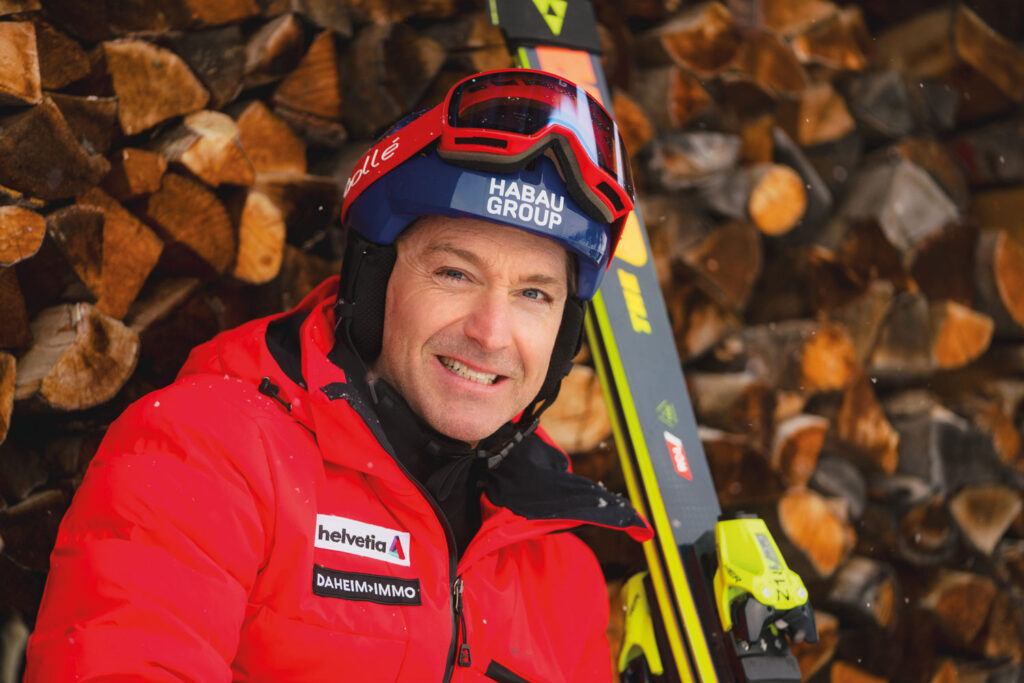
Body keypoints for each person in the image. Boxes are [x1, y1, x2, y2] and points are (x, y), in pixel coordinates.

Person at [24, 69, 652, 682]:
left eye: (534, 295)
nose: (491, 333)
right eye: (455, 274)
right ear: (374, 283)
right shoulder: (207, 452)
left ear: (564, 333)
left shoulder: (558, 565)